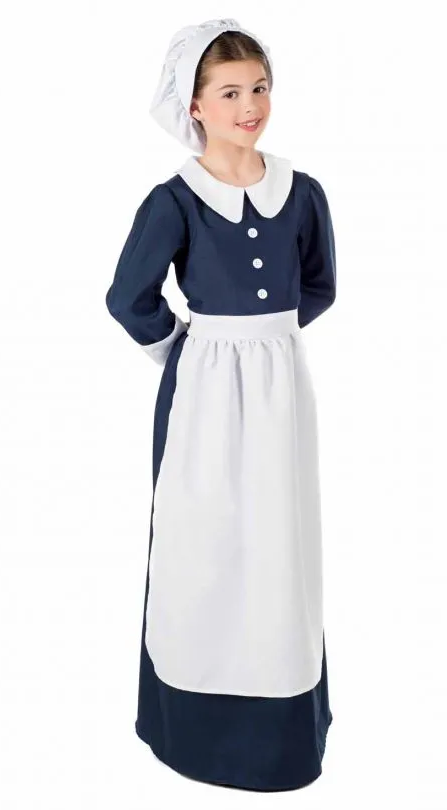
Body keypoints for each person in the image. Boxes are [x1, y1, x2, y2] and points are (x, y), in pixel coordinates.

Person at [105, 17, 336, 791]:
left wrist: (264, 348)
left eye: (259, 88)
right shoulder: (176, 201)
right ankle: (194, 722)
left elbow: (318, 285)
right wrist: (193, 351)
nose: (250, 106)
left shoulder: (301, 193)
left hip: (281, 389)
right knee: (201, 543)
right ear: (195, 106)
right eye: (230, 92)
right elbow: (128, 297)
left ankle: (281, 726)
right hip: (203, 390)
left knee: (280, 542)